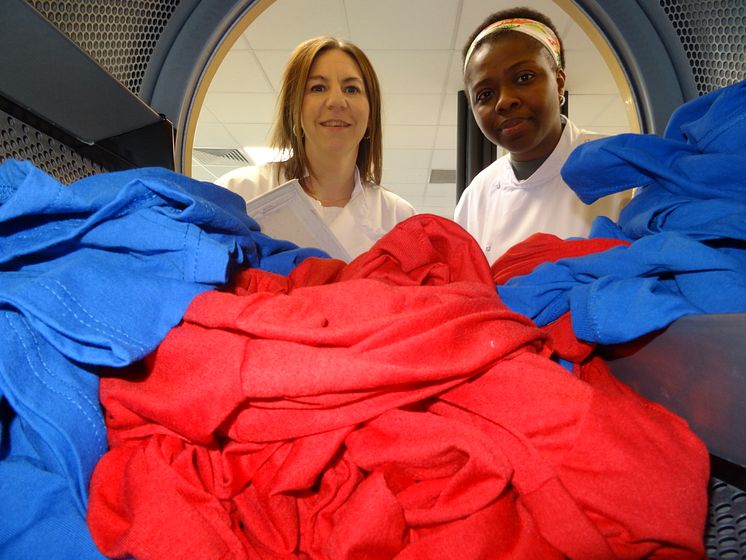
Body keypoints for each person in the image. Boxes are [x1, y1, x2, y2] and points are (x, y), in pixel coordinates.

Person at [454, 7, 631, 262]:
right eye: (485, 94)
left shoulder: (619, 164)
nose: (504, 101)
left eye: (524, 78)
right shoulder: (476, 197)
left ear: (559, 83)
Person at [216, 36, 416, 260]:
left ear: (371, 115)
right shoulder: (239, 193)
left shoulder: (399, 218)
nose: (336, 101)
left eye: (351, 89)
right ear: (295, 109)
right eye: (318, 88)